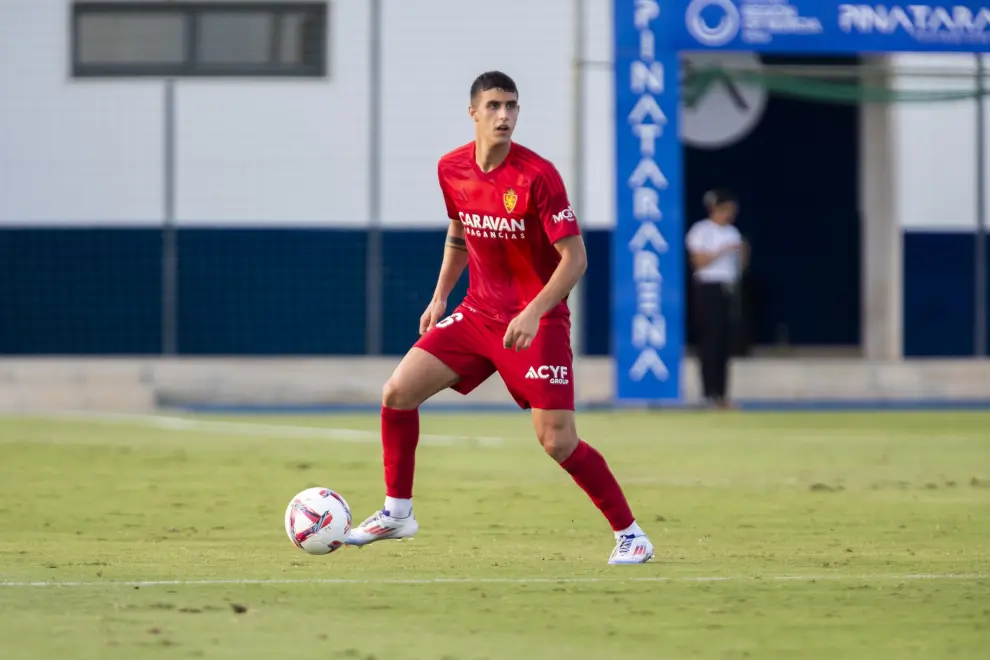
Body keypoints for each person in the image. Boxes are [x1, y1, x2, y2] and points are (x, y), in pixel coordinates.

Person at [345, 71, 653, 565]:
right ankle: (397, 513)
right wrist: (440, 296)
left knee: (556, 440)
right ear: (473, 112)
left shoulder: (538, 175)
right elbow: (459, 231)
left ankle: (631, 534)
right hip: (476, 314)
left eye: (511, 106)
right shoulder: (451, 168)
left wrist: (535, 312)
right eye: (493, 106)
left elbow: (576, 259)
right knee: (397, 393)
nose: (504, 115)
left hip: (538, 321)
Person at [685, 189, 748, 409]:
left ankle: (722, 394)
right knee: (709, 341)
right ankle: (708, 393)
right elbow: (699, 261)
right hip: (707, 288)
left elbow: (740, 266)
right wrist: (723, 250)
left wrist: (742, 253)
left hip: (727, 289)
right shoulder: (701, 231)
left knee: (725, 342)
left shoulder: (733, 232)